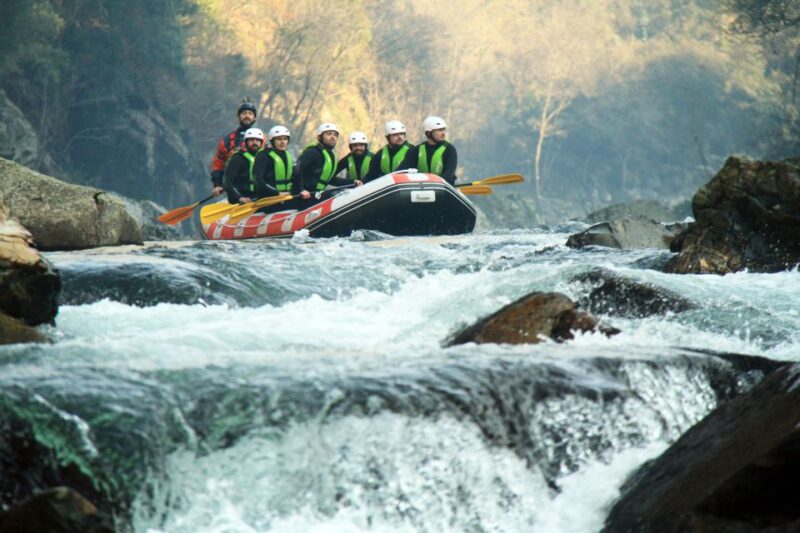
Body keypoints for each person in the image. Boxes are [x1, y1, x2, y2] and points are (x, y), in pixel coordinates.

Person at [294, 122, 359, 203]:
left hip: (316, 195)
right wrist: (301, 190)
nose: (333, 137)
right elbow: (296, 169)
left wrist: (352, 182)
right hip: (303, 196)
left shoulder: (330, 156)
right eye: (328, 134)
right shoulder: (313, 152)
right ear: (320, 137)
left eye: (335, 135)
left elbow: (331, 179)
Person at [209, 98, 258, 197]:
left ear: (254, 118)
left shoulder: (262, 139)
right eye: (244, 113)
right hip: (235, 190)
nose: (247, 116)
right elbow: (218, 163)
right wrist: (217, 184)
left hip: (257, 189)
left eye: (250, 113)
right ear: (238, 117)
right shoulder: (227, 140)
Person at [397, 116, 458, 185]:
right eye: (439, 130)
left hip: (443, 188)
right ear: (429, 133)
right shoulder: (417, 150)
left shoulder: (449, 149)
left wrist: (434, 184)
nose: (443, 133)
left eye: (443, 130)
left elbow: (449, 174)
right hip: (422, 188)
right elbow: (401, 170)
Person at [223, 128, 276, 204]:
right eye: (251, 140)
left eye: (257, 140)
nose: (255, 143)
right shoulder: (237, 158)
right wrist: (240, 198)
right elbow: (227, 183)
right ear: (246, 142)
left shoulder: (264, 157)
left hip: (257, 197)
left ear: (261, 143)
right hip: (241, 198)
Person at [253, 125, 293, 194]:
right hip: (268, 197)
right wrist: (277, 192)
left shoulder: (288, 155)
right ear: (272, 141)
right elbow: (258, 179)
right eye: (279, 139)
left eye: (285, 139)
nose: (282, 142)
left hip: (286, 195)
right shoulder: (263, 155)